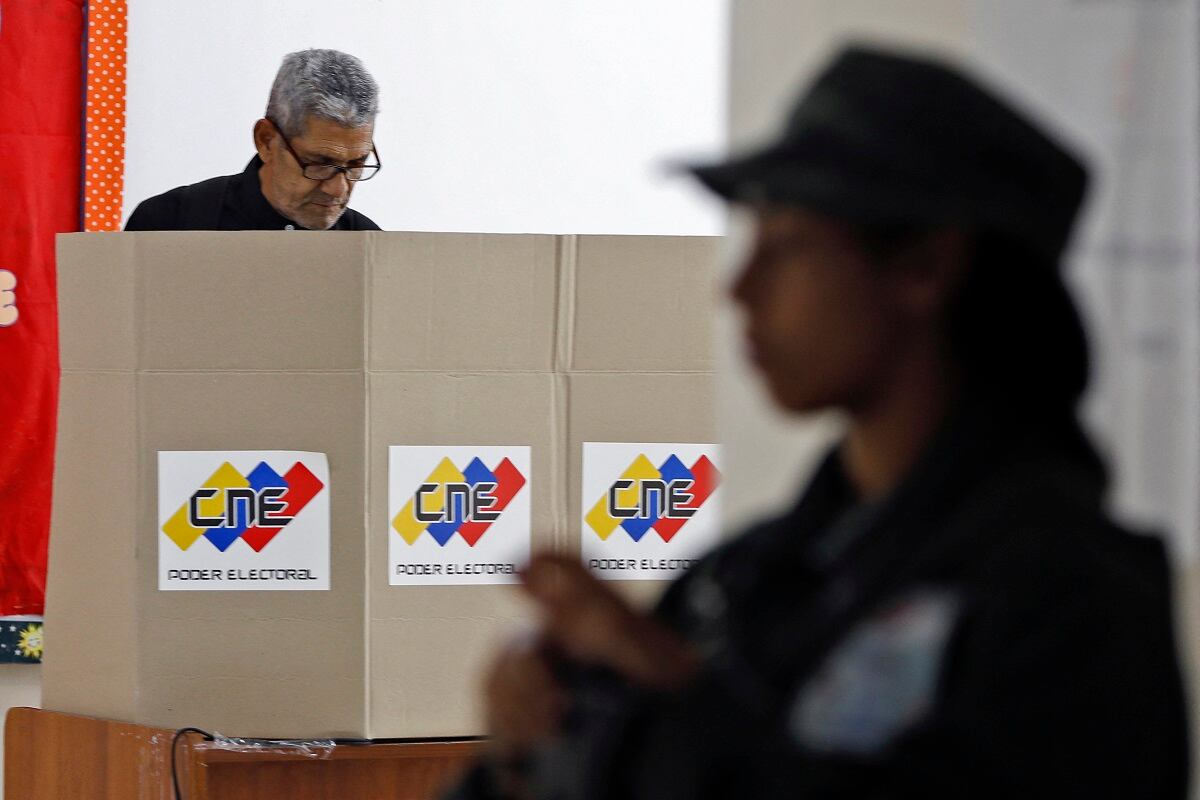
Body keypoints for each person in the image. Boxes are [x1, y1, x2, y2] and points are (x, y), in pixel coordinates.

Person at [447, 45, 1191, 799]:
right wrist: (524, 751)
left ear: (923, 269)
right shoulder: (747, 580)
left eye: (788, 247)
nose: (737, 290)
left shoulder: (1072, 605)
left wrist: (675, 697)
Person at [125, 49, 382, 231]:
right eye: (320, 163)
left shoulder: (370, 248)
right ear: (266, 140)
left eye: (356, 165)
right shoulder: (167, 225)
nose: (338, 189)